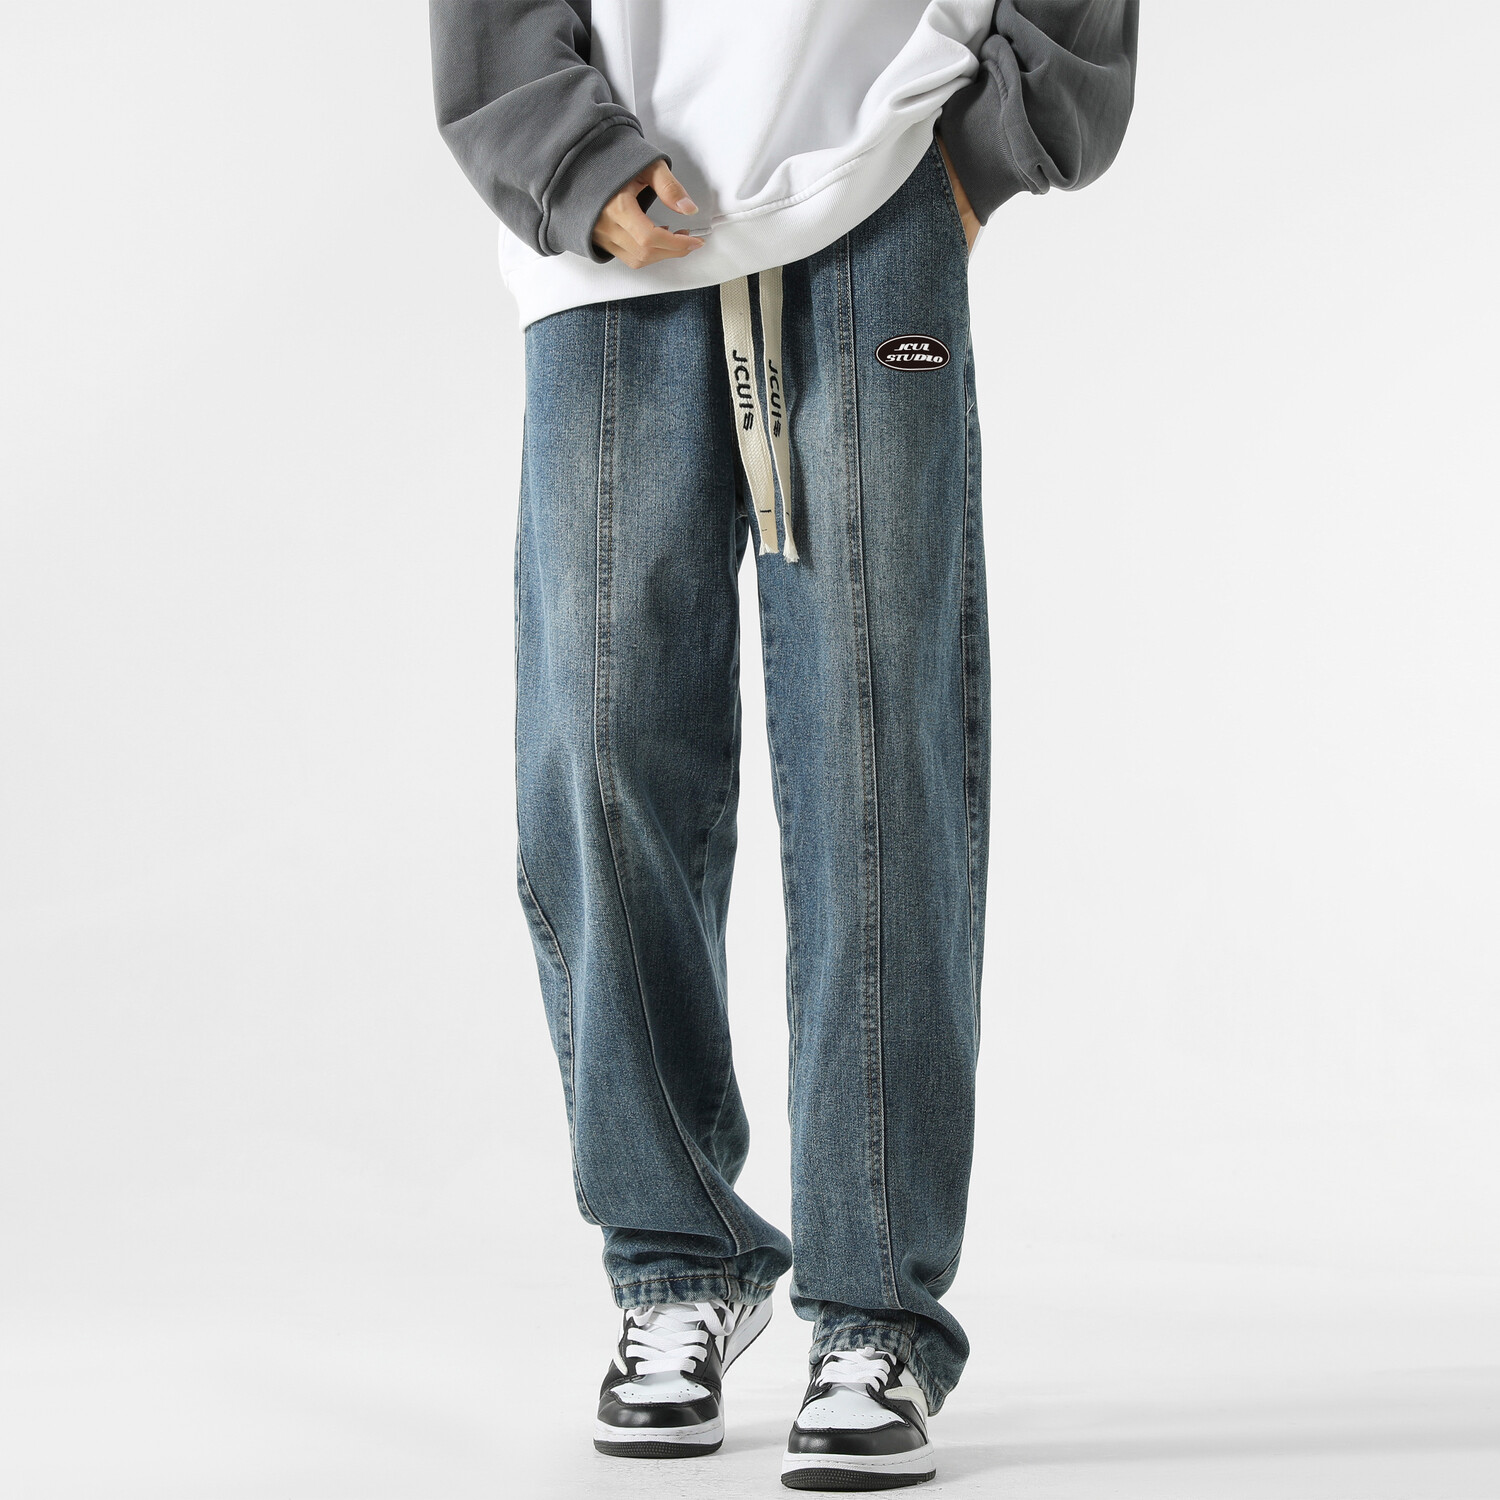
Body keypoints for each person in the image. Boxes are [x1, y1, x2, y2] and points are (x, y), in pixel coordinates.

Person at [429, 2, 1137, 1488]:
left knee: (880, 755)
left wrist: (989, 142)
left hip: (876, 183)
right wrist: (555, 145)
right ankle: (675, 1257)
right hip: (614, 224)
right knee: (600, 741)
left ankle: (877, 1311)